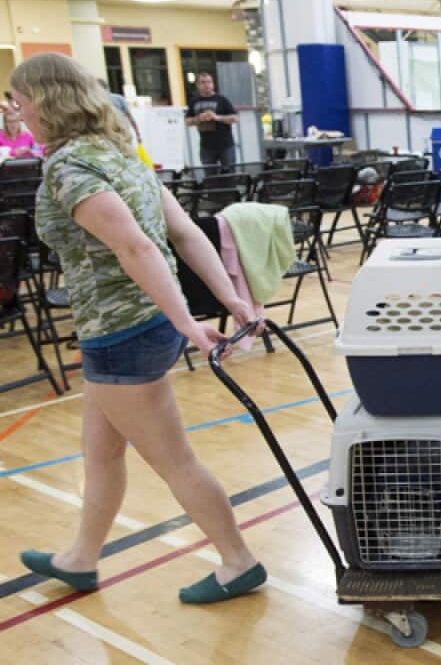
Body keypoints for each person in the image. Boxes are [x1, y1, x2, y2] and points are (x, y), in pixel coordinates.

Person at [12, 53, 265, 603]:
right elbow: (186, 232)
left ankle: (237, 561)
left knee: (174, 459)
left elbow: (136, 245)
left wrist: (195, 321)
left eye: (21, 101)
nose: (17, 112)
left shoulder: (70, 166)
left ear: (45, 103)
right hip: (133, 327)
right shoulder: (118, 154)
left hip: (122, 332)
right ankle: (81, 558)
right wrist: (232, 297)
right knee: (101, 453)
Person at [184, 72, 238, 170]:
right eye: (203, 82)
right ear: (198, 85)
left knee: (230, 176)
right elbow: (187, 122)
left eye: (209, 82)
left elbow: (235, 118)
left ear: (213, 84)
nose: (206, 85)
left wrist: (217, 117)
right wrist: (199, 118)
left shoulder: (222, 100)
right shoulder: (194, 102)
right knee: (210, 178)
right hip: (206, 147)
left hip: (226, 145)